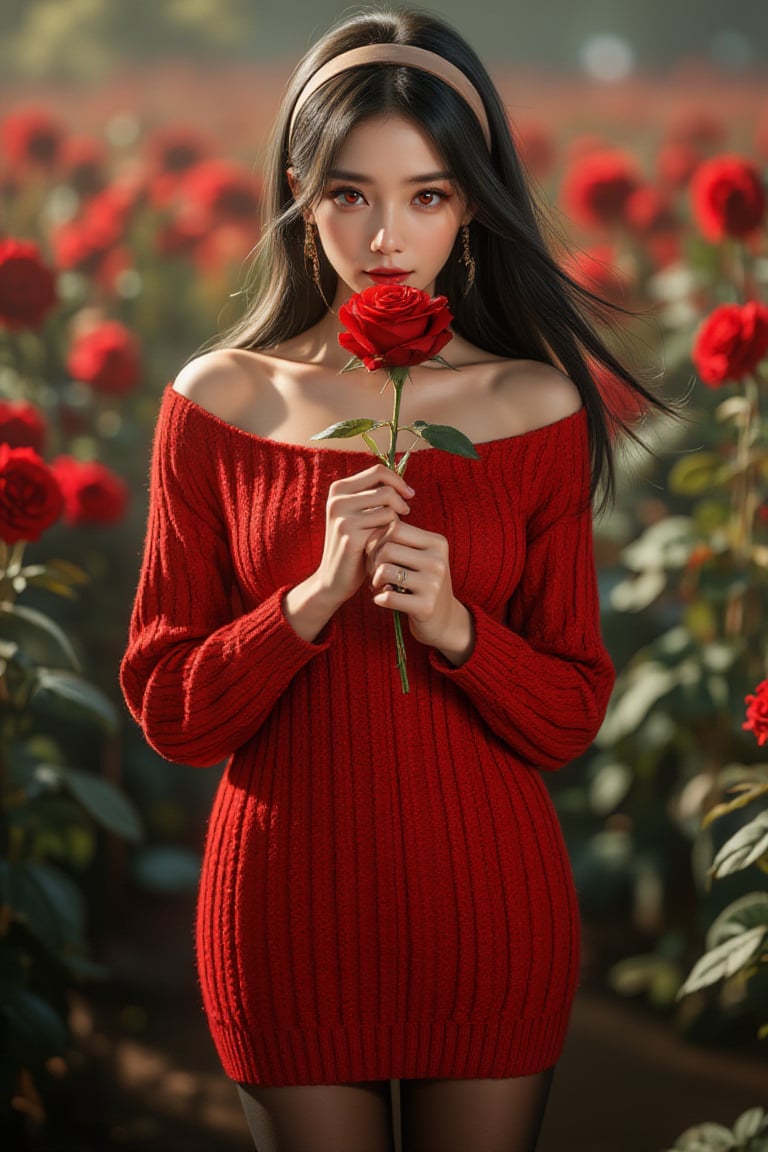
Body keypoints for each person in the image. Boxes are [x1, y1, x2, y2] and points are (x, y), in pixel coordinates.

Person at [120, 7, 664, 1151]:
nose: (383, 235)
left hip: (490, 910)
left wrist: (460, 626)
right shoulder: (217, 403)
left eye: (426, 195)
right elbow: (170, 710)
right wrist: (308, 601)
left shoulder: (534, 404)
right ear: (300, 192)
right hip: (282, 913)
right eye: (348, 193)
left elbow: (571, 711)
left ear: (470, 207)